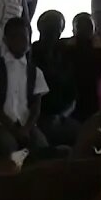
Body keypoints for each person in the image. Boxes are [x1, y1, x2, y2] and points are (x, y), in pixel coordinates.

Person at [0, 17, 50, 156]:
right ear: (6, 40)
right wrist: (13, 130)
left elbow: (36, 107)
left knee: (42, 147)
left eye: (23, 38)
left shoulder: (35, 72)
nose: (19, 42)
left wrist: (26, 129)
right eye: (14, 37)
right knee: (9, 148)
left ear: (29, 40)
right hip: (2, 126)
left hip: (27, 126)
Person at [33, 10, 81, 147]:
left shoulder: (64, 55)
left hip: (62, 116)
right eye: (49, 28)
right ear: (40, 28)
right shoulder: (30, 54)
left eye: (57, 29)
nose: (53, 33)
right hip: (36, 118)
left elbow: (72, 94)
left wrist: (63, 115)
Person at [68, 12, 101, 120]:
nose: (84, 30)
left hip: (96, 99)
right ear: (73, 31)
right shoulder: (68, 48)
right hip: (73, 100)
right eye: (80, 27)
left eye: (88, 26)